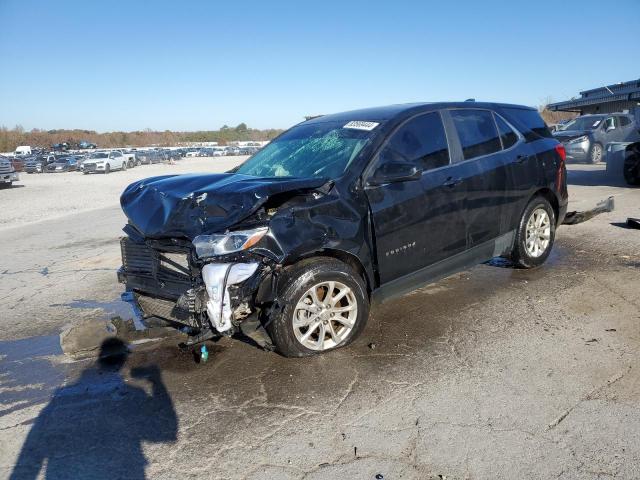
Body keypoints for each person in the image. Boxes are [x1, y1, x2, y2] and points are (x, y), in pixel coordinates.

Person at [10, 338, 177, 480]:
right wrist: (157, 381)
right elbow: (165, 433)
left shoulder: (60, 398)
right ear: (123, 360)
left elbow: (31, 453)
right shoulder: (133, 395)